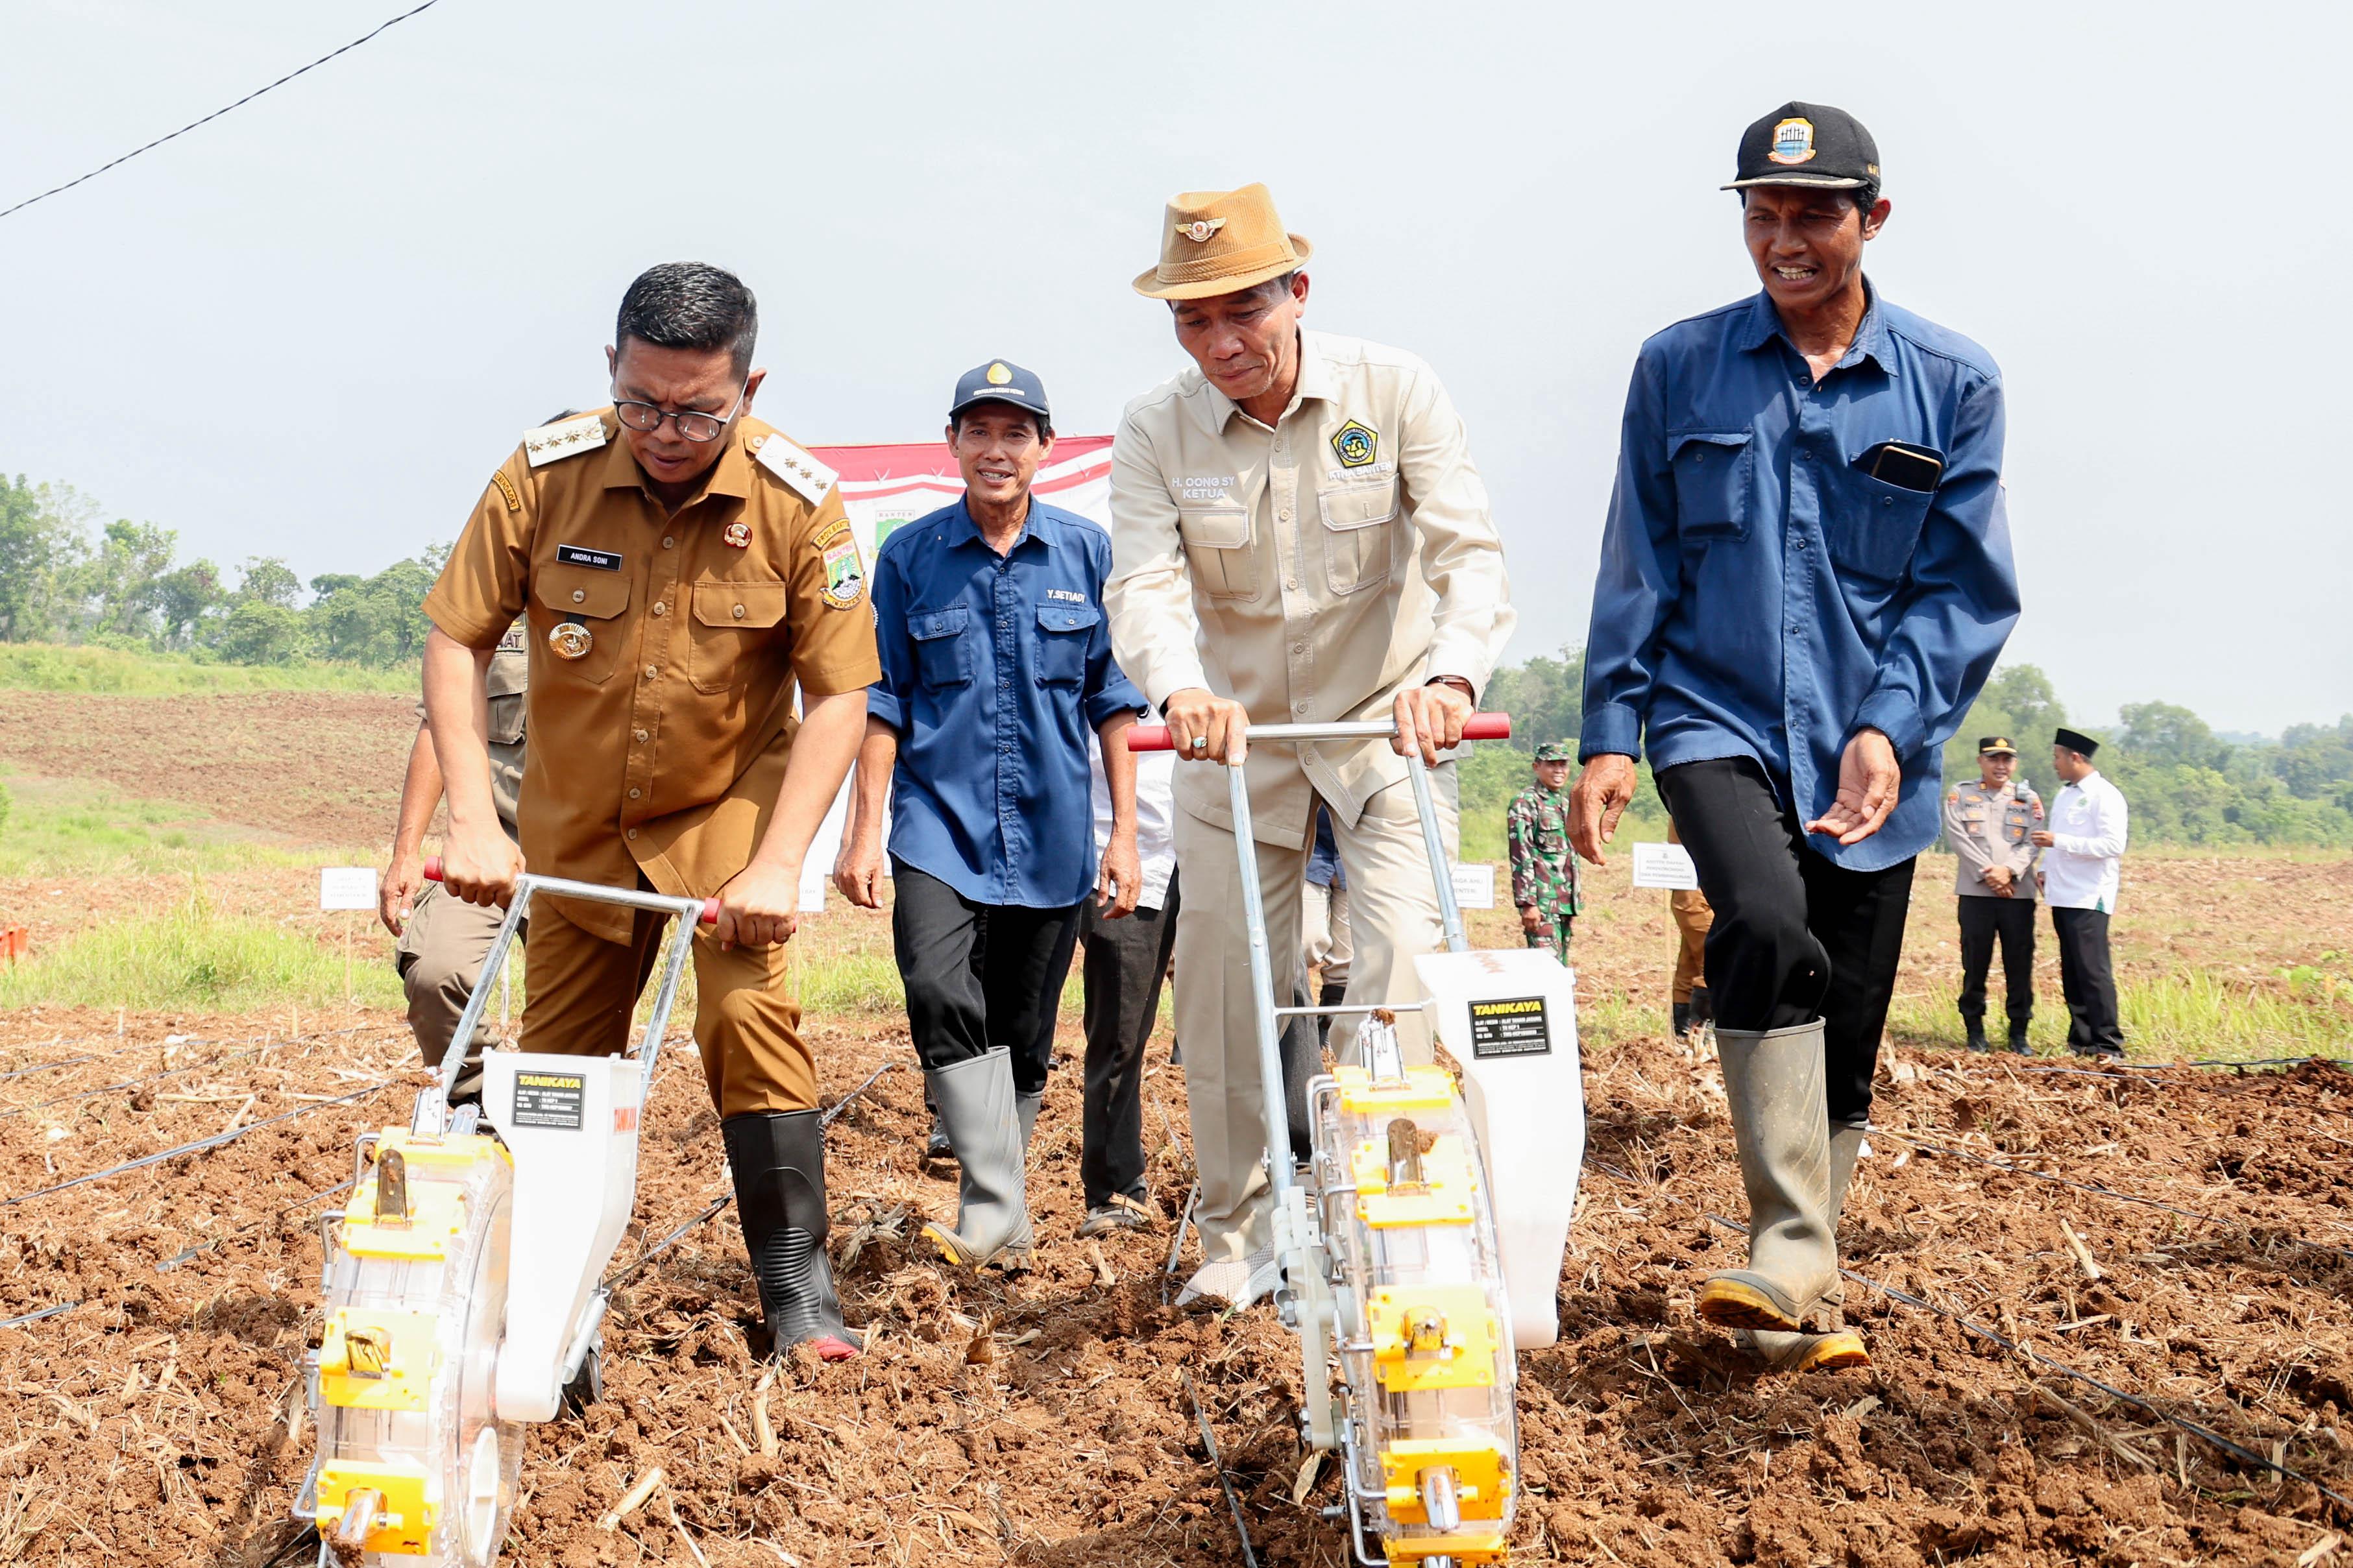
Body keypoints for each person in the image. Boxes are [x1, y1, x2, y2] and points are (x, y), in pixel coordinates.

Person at [1570, 104, 2019, 1373]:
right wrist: (1610, 731)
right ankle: (1783, 1237)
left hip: (1874, 750)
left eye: (1813, 214)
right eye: (1761, 215)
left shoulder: (1953, 382)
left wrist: (1889, 722)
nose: (1784, 239)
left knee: (1850, 1024)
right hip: (1708, 714)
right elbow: (1637, 557)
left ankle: (1800, 1291)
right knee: (1762, 924)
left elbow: (1963, 587)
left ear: (1873, 219)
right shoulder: (1678, 366)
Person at [422, 262, 878, 1361]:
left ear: (748, 389)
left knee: (744, 1018)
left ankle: (796, 1287)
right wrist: (473, 818)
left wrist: (780, 862)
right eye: (641, 403)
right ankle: (549, 1316)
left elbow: (838, 696)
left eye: (698, 412)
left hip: (727, 819)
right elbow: (456, 638)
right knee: (560, 1071)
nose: (667, 432)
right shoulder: (544, 477)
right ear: (610, 371)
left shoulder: (797, 501)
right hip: (577, 826)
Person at [1106, 182, 1517, 1306]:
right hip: (1234, 744)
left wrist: (1451, 676)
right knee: (1226, 993)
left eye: (1243, 310)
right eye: (1192, 320)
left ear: (1297, 290)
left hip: (1383, 729)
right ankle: (1239, 1237)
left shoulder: (1393, 389)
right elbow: (1142, 585)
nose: (1220, 343)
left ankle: (1385, 1218)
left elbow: (1467, 552)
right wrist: (1180, 688)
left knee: (1398, 974)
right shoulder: (1154, 429)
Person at [834, 359, 1145, 1271]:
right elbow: (881, 702)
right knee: (937, 988)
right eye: (979, 432)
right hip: (937, 821)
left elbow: (1112, 703)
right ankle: (994, 1200)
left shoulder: (1086, 553)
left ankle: (998, 1222)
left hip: (1051, 833)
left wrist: (1124, 836)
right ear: (953, 443)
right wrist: (863, 831)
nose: (996, 450)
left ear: (1044, 447)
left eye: (1016, 433)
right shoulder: (911, 556)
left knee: (1023, 1031)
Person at [381, 616, 530, 1102]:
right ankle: (483, 1106)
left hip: (584, 852)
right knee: (435, 973)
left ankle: (547, 1115)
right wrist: (405, 854)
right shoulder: (489, 616)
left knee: (574, 1025)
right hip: (487, 844)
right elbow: (438, 729)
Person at [1075, 712, 1179, 1238]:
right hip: (1118, 849)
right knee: (1120, 1027)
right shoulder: (1103, 656)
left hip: (1217, 833)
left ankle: (1291, 1160)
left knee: (1262, 1000)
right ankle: (1116, 1186)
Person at [2032, 729, 2128, 1059]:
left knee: (2093, 971)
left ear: (2075, 757)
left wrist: (2058, 842)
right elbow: (2056, 838)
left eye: (2057, 757)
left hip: (2089, 895)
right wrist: (2046, 867)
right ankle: (2082, 1041)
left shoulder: (2105, 795)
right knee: (2072, 971)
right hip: (2062, 893)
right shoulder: (2065, 795)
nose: (2054, 763)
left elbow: (2113, 845)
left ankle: (2108, 1043)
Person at [1944, 736, 2042, 1054]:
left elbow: (2034, 841)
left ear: (2014, 763)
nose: (2001, 766)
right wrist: (1991, 874)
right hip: (1976, 893)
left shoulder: (2028, 798)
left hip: (2017, 894)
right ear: (1980, 761)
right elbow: (1958, 838)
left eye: (2007, 759)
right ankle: (1975, 1030)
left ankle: (2019, 1033)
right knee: (1975, 963)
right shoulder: (1962, 794)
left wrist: (2009, 871)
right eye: (1993, 759)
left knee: (2019, 964)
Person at [1506, 743, 1581, 964]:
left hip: (1564, 903)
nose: (1558, 770)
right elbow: (1521, 855)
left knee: (1561, 968)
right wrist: (1528, 903)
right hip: (1543, 904)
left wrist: (1574, 901)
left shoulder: (1565, 804)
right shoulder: (1525, 803)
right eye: (1551, 765)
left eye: (1563, 765)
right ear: (1536, 767)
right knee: (1547, 968)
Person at [1668, 819, 1714, 1039]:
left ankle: (1685, 1031)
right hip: (1694, 891)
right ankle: (1704, 1028)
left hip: (1695, 891)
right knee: (1713, 959)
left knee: (1690, 962)